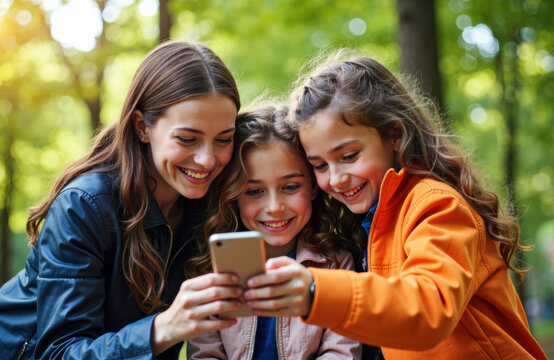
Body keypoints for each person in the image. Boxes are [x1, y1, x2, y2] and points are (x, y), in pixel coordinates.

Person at [241, 53, 548, 359]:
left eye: (348, 156)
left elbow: (429, 307)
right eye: (319, 165)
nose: (336, 178)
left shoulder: (436, 205)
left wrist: (313, 290)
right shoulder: (367, 223)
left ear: (395, 137)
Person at [0, 41, 246, 360]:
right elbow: (59, 352)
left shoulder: (214, 203)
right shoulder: (84, 206)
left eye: (223, 140)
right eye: (188, 139)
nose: (207, 159)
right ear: (143, 127)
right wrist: (164, 328)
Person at [186, 104, 362, 359]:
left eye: (290, 187)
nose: (275, 207)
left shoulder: (335, 263)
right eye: (255, 191)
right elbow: (204, 353)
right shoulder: (213, 269)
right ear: (234, 197)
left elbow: (342, 352)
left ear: (313, 187)